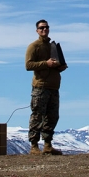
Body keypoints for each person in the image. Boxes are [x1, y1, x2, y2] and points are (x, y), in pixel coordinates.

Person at [25, 19, 66, 155]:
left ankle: (48, 145)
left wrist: (61, 66)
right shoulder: (34, 46)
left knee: (52, 116)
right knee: (37, 115)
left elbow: (58, 64)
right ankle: (34, 145)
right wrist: (46, 63)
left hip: (54, 86)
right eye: (41, 28)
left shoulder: (53, 46)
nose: (44, 30)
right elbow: (28, 65)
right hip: (40, 87)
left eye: (46, 27)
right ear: (37, 30)